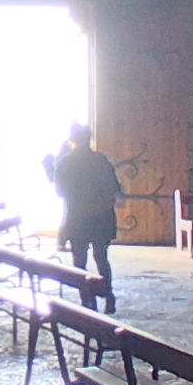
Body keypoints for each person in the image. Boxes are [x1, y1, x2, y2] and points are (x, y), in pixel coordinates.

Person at [53, 123, 124, 309]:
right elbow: (114, 188)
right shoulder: (101, 161)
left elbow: (60, 191)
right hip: (101, 216)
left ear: (73, 139)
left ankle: (87, 301)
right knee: (102, 258)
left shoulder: (65, 163)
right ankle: (108, 295)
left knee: (79, 262)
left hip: (77, 217)